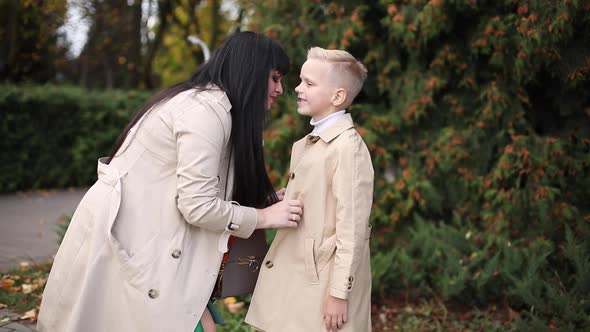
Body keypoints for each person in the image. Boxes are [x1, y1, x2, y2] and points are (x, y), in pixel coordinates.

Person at [37, 31, 303, 332]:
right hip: (130, 239)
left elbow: (205, 186)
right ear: (251, 72)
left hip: (148, 237)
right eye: (275, 78)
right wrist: (263, 217)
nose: (280, 89)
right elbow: (198, 206)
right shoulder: (205, 113)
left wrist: (264, 201)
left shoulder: (213, 107)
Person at [245, 47, 374, 332]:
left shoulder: (347, 148)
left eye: (309, 84)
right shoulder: (308, 144)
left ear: (337, 96)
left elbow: (352, 228)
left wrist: (340, 293)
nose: (296, 88)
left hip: (323, 284)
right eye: (301, 80)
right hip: (298, 275)